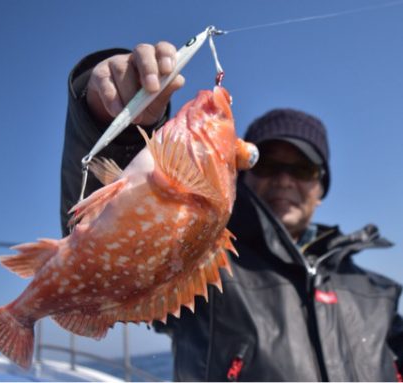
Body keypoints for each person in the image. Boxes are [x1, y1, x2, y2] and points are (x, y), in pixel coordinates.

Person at [60, 42, 403, 381]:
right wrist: (112, 127)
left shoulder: (378, 291)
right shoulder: (209, 269)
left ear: (321, 188)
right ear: (240, 171)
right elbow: (114, 255)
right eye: (265, 164)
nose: (284, 180)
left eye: (302, 170)